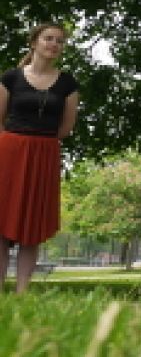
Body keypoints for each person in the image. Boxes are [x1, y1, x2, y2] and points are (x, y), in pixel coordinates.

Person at [0, 23, 79, 294]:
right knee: (2, 225)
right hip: (10, 152)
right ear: (34, 42)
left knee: (31, 228)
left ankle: (22, 294)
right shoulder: (11, 78)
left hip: (44, 154)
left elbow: (66, 127)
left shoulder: (68, 83)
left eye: (59, 41)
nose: (54, 44)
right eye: (48, 38)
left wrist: (39, 141)